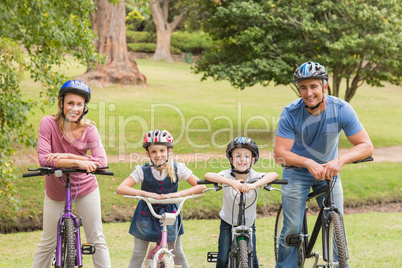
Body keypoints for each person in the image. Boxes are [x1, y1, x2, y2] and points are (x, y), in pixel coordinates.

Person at [273, 62, 373, 267]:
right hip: (296, 171)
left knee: (337, 219)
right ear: (298, 89)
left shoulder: (341, 109)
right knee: (292, 226)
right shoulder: (290, 112)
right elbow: (280, 154)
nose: (308, 93)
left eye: (313, 86)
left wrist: (339, 160)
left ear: (324, 87)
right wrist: (308, 162)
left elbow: (366, 146)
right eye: (303, 87)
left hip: (329, 171)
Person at [33, 80, 111, 267]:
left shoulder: (89, 129)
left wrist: (63, 156)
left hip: (85, 188)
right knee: (47, 242)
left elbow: (102, 162)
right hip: (55, 191)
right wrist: (78, 160)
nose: (74, 108)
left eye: (79, 104)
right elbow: (44, 160)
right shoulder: (48, 124)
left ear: (84, 107)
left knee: (96, 238)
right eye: (70, 103)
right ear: (61, 104)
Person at [116, 129, 206, 268]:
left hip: (170, 214)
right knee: (138, 253)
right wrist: (147, 194)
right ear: (148, 153)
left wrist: (177, 195)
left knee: (178, 253)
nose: (158, 155)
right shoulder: (143, 171)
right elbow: (121, 188)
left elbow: (201, 186)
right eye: (154, 151)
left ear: (169, 151)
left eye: (162, 151)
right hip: (146, 214)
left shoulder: (178, 168)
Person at [204, 137, 279, 268]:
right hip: (228, 222)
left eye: (246, 156)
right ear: (231, 160)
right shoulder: (226, 175)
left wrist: (254, 185)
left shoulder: (254, 176)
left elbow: (273, 174)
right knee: (222, 258)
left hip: (249, 223)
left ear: (253, 160)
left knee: (253, 258)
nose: (242, 159)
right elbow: (208, 175)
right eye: (237, 156)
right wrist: (231, 183)